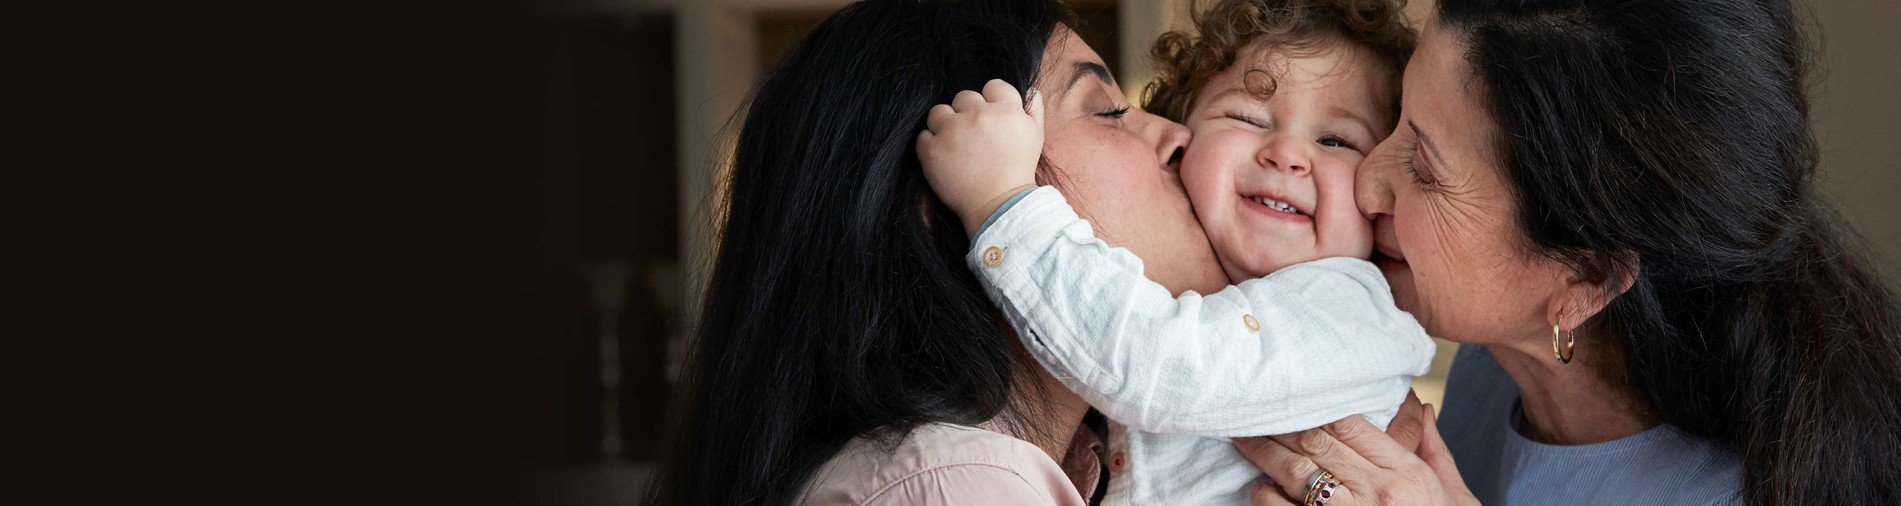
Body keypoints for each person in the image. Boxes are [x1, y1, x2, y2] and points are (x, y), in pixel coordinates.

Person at [1234, 1, 1901, 505]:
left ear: (1585, 278)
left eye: (1424, 168)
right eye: (1398, 119)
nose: (1367, 179)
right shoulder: (1487, 370)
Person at [645, 0, 1230, 504]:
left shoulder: (1068, 467)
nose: (1180, 136)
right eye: (1106, 109)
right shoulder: (956, 484)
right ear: (952, 201)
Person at [916, 0, 1433, 503]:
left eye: (1338, 141)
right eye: (1249, 118)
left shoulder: (1344, 308)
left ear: (1379, 191)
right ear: (1187, 141)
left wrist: (1002, 204)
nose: (1288, 154)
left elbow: (1154, 367)